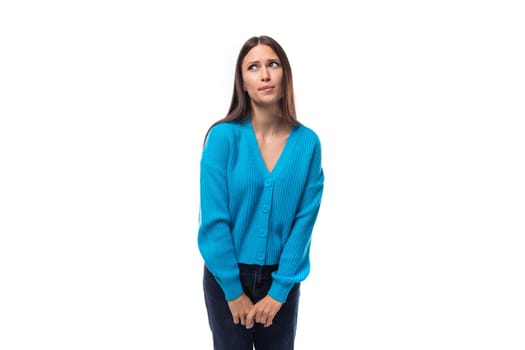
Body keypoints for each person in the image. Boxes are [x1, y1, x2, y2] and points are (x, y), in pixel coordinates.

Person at [197, 35, 324, 350]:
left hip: (282, 279)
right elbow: (214, 221)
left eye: (273, 64)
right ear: (242, 82)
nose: (265, 75)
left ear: (285, 74)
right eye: (253, 67)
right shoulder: (222, 138)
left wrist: (279, 291)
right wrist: (233, 291)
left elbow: (303, 223)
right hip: (226, 276)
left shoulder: (308, 144)